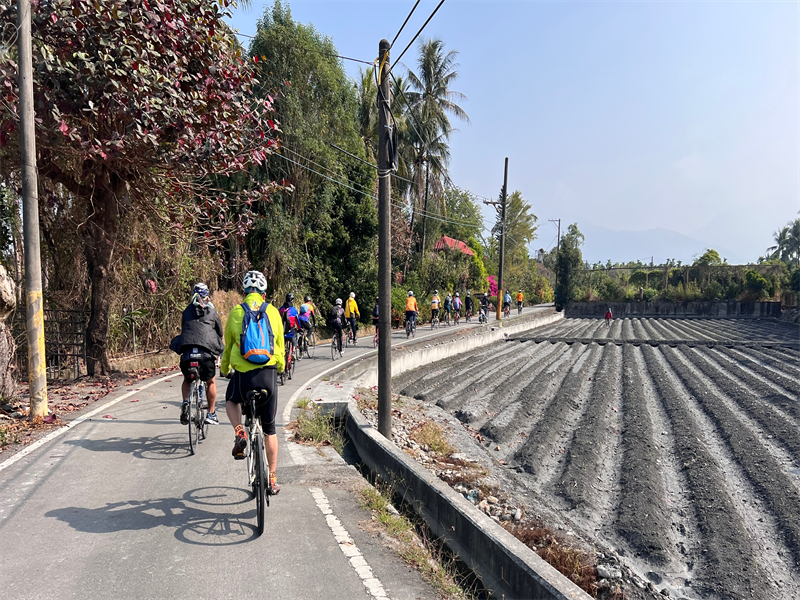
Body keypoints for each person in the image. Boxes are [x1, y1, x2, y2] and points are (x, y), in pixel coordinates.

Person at [220, 270, 284, 494]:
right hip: (268, 376)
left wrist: (225, 368)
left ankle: (239, 432)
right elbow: (280, 345)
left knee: (230, 400)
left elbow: (227, 347)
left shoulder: (237, 312)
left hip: (244, 378)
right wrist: (281, 368)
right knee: (270, 430)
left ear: (244, 292)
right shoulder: (273, 312)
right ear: (264, 293)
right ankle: (273, 479)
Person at [170, 283, 224, 426]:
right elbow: (219, 332)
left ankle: (186, 402)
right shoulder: (212, 312)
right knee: (210, 381)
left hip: (188, 353)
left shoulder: (187, 311)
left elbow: (185, 330)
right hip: (206, 354)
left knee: (187, 380)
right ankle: (211, 413)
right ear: (207, 295)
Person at [279, 293, 300, 378]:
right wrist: (299, 328)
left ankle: (282, 354)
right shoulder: (294, 310)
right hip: (290, 332)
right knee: (294, 338)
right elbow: (297, 322)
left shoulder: (281, 309)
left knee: (282, 347)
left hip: (282, 332)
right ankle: (293, 352)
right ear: (292, 300)